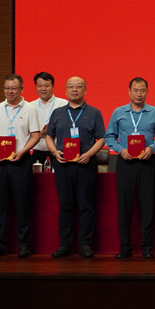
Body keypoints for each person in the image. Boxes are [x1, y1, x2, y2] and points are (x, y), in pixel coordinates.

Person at [104, 77, 155, 259]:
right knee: (124, 205)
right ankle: (125, 246)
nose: (138, 94)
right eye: (135, 90)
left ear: (147, 92)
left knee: (148, 206)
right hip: (126, 162)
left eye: (142, 90)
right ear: (129, 92)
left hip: (146, 162)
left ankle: (147, 246)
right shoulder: (118, 112)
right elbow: (109, 137)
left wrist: (151, 148)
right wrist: (120, 150)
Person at [45, 76, 107, 258]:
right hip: (63, 165)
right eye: (71, 87)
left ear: (85, 90)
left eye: (79, 86)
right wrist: (54, 152)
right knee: (65, 205)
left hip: (85, 165)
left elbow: (101, 138)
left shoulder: (94, 112)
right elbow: (49, 136)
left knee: (86, 205)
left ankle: (85, 244)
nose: (74, 89)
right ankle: (65, 244)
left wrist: (89, 154)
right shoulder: (57, 113)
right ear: (65, 90)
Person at [0, 74, 42, 258]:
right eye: (7, 88)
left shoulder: (31, 109)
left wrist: (22, 151)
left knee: (22, 203)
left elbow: (35, 135)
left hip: (20, 161)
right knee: (0, 204)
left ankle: (24, 244)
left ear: (21, 90)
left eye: (14, 88)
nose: (10, 91)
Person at [30, 72, 67, 166]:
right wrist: (39, 134)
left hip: (59, 152)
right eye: (39, 86)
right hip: (37, 152)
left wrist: (52, 131)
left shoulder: (63, 104)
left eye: (47, 86)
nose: (43, 89)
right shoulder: (30, 106)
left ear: (53, 86)